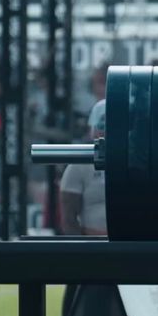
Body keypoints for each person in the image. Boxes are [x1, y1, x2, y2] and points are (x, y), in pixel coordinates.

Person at [59, 100, 108, 237]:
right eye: (101, 125)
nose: (105, 131)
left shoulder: (138, 163)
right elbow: (69, 219)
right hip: (94, 243)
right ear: (92, 129)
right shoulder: (79, 165)